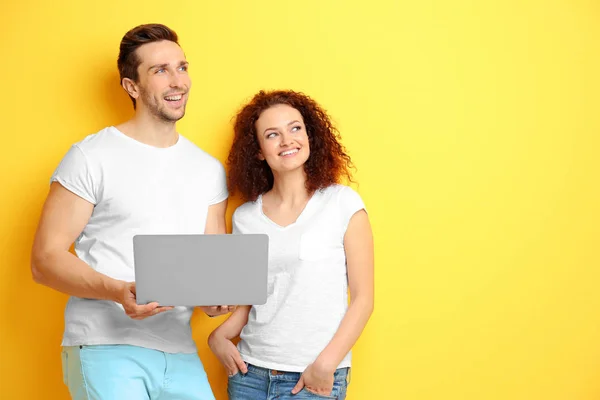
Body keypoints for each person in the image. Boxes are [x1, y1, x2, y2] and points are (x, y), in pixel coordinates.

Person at [31, 23, 231, 400]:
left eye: (182, 67)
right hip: (105, 346)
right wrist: (117, 290)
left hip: (180, 352)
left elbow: (210, 267)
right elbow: (44, 260)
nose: (178, 82)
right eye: (160, 71)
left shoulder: (208, 170)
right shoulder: (91, 157)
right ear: (132, 87)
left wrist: (216, 297)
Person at [208, 90, 374, 399]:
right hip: (250, 375)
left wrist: (325, 365)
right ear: (258, 150)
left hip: (313, 379)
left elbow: (363, 299)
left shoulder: (342, 203)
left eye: (295, 128)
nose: (287, 140)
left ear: (310, 136)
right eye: (273, 134)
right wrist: (219, 337)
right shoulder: (246, 217)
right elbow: (250, 301)